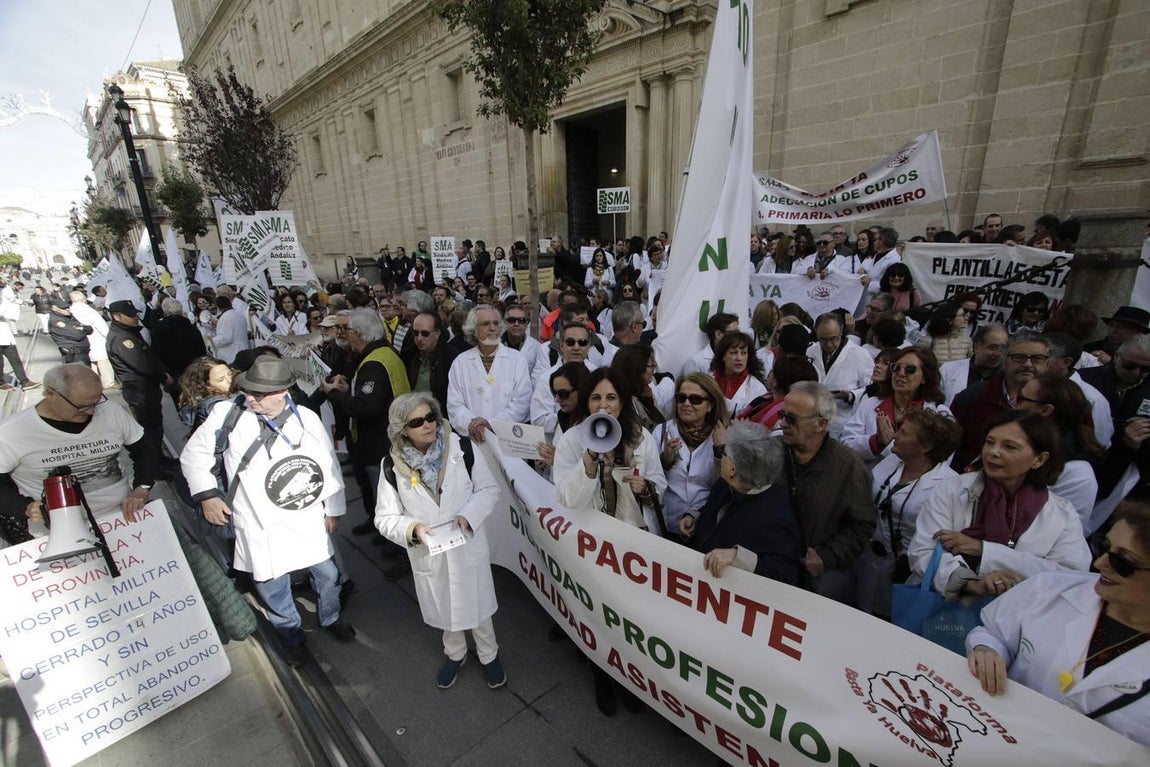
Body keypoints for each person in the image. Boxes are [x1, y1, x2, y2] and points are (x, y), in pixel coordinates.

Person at [181, 355, 356, 667]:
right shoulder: (228, 413)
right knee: (273, 588)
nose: (250, 398)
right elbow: (195, 455)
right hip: (260, 525)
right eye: (249, 391)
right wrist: (207, 495)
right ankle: (292, 638)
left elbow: (329, 467)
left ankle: (330, 618)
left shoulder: (307, 418)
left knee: (329, 576)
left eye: (259, 394)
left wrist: (333, 509)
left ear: (283, 392)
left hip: (305, 518)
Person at [965, 501, 1150, 747]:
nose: (1099, 564)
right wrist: (987, 649)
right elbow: (993, 633)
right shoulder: (1049, 589)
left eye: (1123, 562)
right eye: (1104, 547)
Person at [374, 392, 506, 690]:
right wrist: (413, 528)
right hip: (430, 553)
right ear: (402, 429)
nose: (428, 425)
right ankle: (455, 653)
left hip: (466, 544)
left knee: (479, 608)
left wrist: (469, 516)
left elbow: (488, 490)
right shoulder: (390, 467)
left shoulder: (463, 448)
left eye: (431, 417)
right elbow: (384, 518)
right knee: (445, 605)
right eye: (417, 421)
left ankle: (489, 655)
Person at [909, 410, 1091, 600]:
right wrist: (969, 583)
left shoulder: (1061, 513)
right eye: (989, 442)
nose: (993, 452)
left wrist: (984, 550)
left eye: (1010, 447)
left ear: (1039, 459)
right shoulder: (952, 489)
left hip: (1018, 614)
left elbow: (1070, 576)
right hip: (942, 610)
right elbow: (923, 551)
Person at [0, 364, 155, 545]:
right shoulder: (11, 433)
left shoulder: (111, 411)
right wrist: (25, 507)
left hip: (124, 519)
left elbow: (145, 450)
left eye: (96, 403)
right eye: (81, 406)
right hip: (59, 533)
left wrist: (142, 488)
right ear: (51, 394)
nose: (90, 412)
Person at [857, 410, 961, 617]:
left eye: (903, 433)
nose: (894, 435)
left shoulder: (950, 486)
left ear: (926, 446)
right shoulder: (890, 462)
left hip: (908, 571)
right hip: (870, 561)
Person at [779, 381, 875, 602]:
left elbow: (862, 525)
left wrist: (828, 556)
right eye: (782, 415)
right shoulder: (772, 451)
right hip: (774, 571)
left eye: (791, 419)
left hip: (816, 585)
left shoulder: (849, 468)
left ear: (821, 424)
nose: (782, 423)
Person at [322, 308, 411, 547]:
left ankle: (397, 546)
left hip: (381, 442)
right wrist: (347, 388)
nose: (345, 333)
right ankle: (381, 529)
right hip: (390, 437)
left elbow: (366, 407)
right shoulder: (383, 353)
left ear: (359, 334)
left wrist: (334, 395)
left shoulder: (374, 363)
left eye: (348, 329)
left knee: (388, 497)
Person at [679, 420, 802, 584]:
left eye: (723, 452)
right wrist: (695, 517)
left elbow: (785, 574)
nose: (720, 455)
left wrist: (738, 556)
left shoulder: (778, 514)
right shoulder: (725, 484)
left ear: (732, 469)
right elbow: (716, 511)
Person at [950, 332, 1050, 470]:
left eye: (1037, 358)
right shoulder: (971, 398)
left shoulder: (1060, 402)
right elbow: (948, 445)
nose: (1028, 364)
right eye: (1018, 357)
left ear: (1048, 363)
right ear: (1004, 361)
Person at [1015, 374, 1103, 531]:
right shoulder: (1018, 440)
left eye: (1021, 399)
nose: (1014, 405)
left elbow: (1061, 530)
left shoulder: (1077, 472)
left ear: (1045, 410)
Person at [840, 348, 951, 464]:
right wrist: (876, 441)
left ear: (925, 377)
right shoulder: (870, 403)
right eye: (896, 367)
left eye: (910, 369)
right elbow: (846, 444)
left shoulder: (938, 413)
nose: (901, 374)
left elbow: (942, 458)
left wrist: (890, 444)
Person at [653, 373, 729, 538]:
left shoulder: (723, 435)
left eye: (695, 399)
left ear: (710, 405)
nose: (686, 404)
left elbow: (725, 486)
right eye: (681, 398)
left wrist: (720, 449)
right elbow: (651, 478)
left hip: (706, 526)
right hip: (666, 525)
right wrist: (665, 460)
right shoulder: (662, 431)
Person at [447, 305, 532, 444]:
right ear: (473, 329)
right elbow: (454, 405)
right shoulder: (460, 362)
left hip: (509, 441)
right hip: (474, 441)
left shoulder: (517, 360)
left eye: (496, 323)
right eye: (486, 324)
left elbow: (522, 403)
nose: (493, 328)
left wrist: (491, 424)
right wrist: (473, 424)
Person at [107, 300, 171, 461]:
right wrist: (163, 376)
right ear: (117, 316)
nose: (135, 318)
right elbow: (141, 364)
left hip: (146, 388)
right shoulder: (122, 339)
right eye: (130, 315)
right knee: (150, 429)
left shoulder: (129, 333)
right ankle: (156, 464)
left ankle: (159, 459)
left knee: (155, 426)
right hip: (139, 390)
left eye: (135, 314)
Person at [806, 313, 874, 436]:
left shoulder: (861, 355)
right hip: (811, 419)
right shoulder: (810, 351)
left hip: (841, 423)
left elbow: (871, 389)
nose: (828, 344)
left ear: (842, 330)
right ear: (816, 332)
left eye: (833, 338)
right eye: (823, 339)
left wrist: (850, 395)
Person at [535, 362, 593, 469]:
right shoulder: (564, 416)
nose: (557, 399)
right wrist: (548, 458)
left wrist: (557, 460)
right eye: (554, 393)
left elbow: (590, 473)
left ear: (582, 390)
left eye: (563, 394)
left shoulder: (593, 425)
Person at [740, 355, 819, 431]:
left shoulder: (783, 415)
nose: (769, 373)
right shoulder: (765, 399)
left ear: (775, 382)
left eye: (772, 371)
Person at [151, 298, 208, 401]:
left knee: (181, 403)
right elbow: (201, 350)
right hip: (193, 371)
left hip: (174, 373)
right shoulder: (191, 328)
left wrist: (163, 372)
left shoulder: (159, 330)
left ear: (165, 311)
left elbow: (156, 353)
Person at [405, 311, 459, 414]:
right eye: (415, 333)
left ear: (437, 333)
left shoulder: (452, 358)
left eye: (425, 333)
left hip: (441, 415)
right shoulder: (409, 354)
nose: (419, 338)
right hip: (413, 412)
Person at [940, 324, 1008, 406]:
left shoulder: (1008, 377)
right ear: (976, 346)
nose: (998, 353)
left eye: (1003, 348)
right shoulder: (948, 369)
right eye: (993, 347)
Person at [611, 344, 672, 431]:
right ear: (636, 368)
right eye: (651, 365)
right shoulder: (625, 402)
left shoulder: (645, 391)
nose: (653, 370)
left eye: (653, 365)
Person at [711, 331, 768, 416]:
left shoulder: (758, 388)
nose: (739, 358)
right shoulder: (709, 378)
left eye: (744, 353)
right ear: (723, 356)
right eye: (733, 352)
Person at [68, 290, 112, 386]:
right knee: (103, 360)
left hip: (86, 339)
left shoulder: (72, 309)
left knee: (94, 362)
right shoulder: (86, 310)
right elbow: (100, 325)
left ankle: (96, 382)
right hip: (97, 337)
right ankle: (108, 382)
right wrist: (109, 336)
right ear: (83, 298)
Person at [47, 299, 92, 366]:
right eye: (64, 308)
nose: (68, 309)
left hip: (82, 354)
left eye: (68, 307)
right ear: (54, 308)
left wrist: (82, 328)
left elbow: (89, 329)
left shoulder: (68, 317)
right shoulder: (56, 322)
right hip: (74, 356)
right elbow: (78, 335)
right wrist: (82, 329)